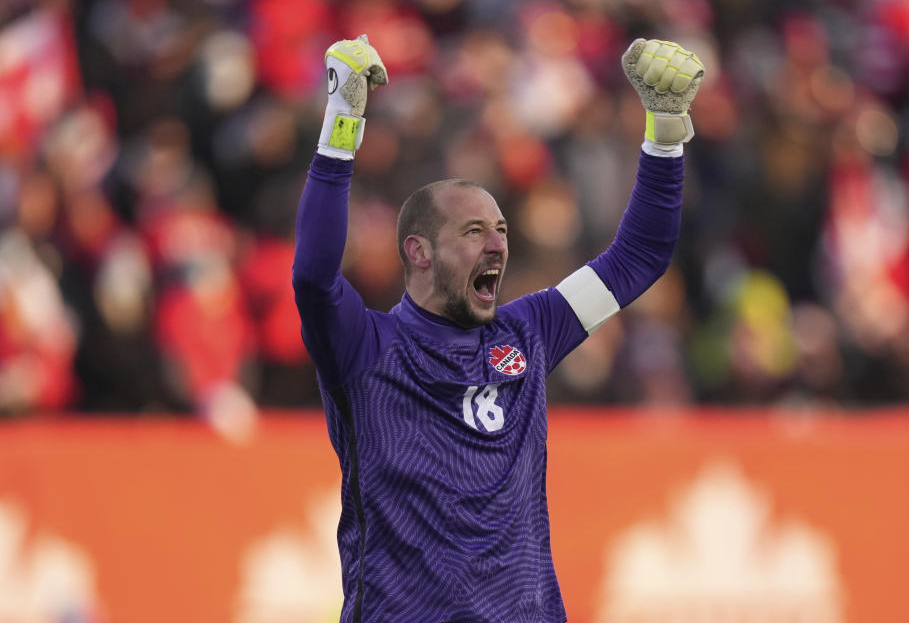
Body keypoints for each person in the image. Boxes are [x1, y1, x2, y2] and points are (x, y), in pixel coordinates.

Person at [293, 34, 704, 623]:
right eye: (473, 232)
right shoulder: (365, 349)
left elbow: (639, 256)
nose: (497, 244)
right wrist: (341, 123)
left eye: (502, 229)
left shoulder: (530, 332)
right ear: (420, 252)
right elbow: (313, 276)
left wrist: (665, 133)